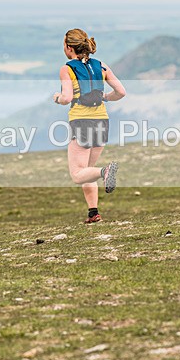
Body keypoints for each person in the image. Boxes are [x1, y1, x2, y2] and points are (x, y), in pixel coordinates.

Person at [52, 28, 126, 223]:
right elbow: (121, 92)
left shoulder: (67, 69)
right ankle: (93, 213)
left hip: (81, 121)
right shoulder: (101, 65)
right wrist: (106, 98)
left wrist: (58, 98)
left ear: (69, 48)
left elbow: (67, 97)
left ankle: (105, 171)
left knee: (77, 174)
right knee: (87, 170)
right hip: (102, 120)